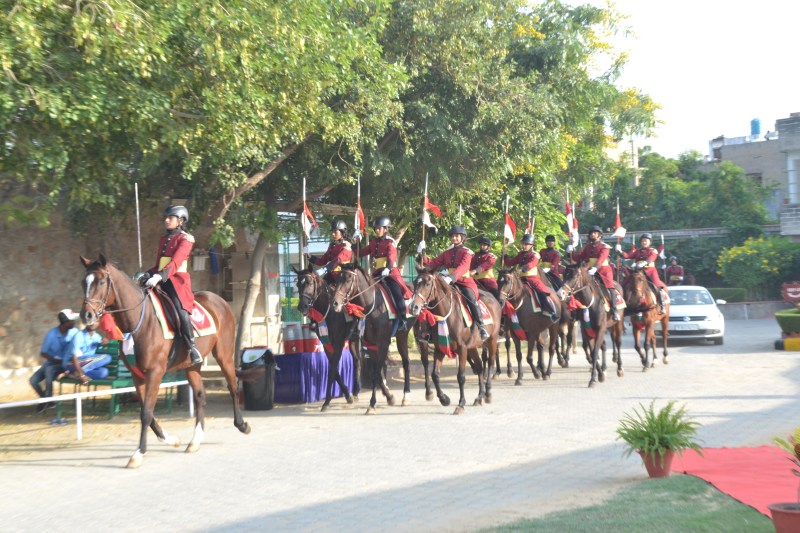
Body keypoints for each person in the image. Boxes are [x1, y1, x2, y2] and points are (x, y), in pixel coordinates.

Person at [139, 205, 203, 365]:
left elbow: (175, 263)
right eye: (166, 218)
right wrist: (148, 274)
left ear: (180, 220)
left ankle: (192, 347)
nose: (166, 220)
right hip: (161, 279)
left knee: (180, 311)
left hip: (177, 283)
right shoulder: (163, 240)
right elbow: (160, 264)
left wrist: (159, 276)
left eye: (170, 218)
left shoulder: (185, 239)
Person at [423, 225, 489, 340]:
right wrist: (422, 254)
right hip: (450, 282)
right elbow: (434, 263)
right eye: (452, 236)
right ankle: (430, 330)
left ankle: (481, 326)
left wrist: (451, 277)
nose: (454, 238)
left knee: (471, 299)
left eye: (457, 236)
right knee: (433, 298)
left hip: (464, 282)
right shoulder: (447, 253)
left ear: (462, 238)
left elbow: (463, 267)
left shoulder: (467, 252)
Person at [357, 216, 412, 332]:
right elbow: (361, 252)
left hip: (390, 273)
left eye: (379, 228)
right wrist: (355, 243)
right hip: (377, 274)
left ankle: (403, 320)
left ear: (386, 229)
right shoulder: (373, 242)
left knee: (396, 293)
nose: (377, 230)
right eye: (376, 228)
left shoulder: (390, 242)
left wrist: (388, 268)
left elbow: (392, 256)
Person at [567, 225, 621, 321]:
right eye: (591, 233)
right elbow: (580, 258)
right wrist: (570, 252)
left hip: (603, 271)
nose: (593, 234)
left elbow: (601, 259)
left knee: (610, 289)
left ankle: (614, 310)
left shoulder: (605, 247)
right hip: (590, 270)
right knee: (579, 287)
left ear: (600, 235)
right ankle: (575, 311)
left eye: (595, 233)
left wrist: (595, 268)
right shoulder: (588, 247)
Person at [30, 309, 79, 413]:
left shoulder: (75, 332)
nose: (75, 322)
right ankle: (45, 399)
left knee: (49, 370)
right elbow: (43, 353)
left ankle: (49, 399)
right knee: (33, 380)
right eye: (72, 320)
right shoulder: (51, 334)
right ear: (65, 323)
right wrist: (54, 360)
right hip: (52, 363)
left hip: (67, 364)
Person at [503, 233, 559, 322]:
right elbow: (511, 262)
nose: (524, 246)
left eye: (526, 244)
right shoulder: (520, 254)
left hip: (532, 279)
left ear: (531, 245)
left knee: (541, 292)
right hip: (520, 279)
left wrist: (522, 269)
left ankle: (551, 311)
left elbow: (532, 264)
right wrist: (505, 254)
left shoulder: (535, 254)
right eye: (523, 244)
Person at [616, 233, 668, 313]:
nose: (644, 242)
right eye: (643, 241)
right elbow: (627, 256)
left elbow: (652, 258)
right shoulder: (637, 251)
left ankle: (662, 304)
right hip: (638, 271)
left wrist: (644, 263)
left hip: (650, 271)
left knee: (657, 285)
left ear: (650, 242)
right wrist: (620, 252)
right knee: (625, 283)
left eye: (646, 241)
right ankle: (623, 303)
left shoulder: (653, 250)